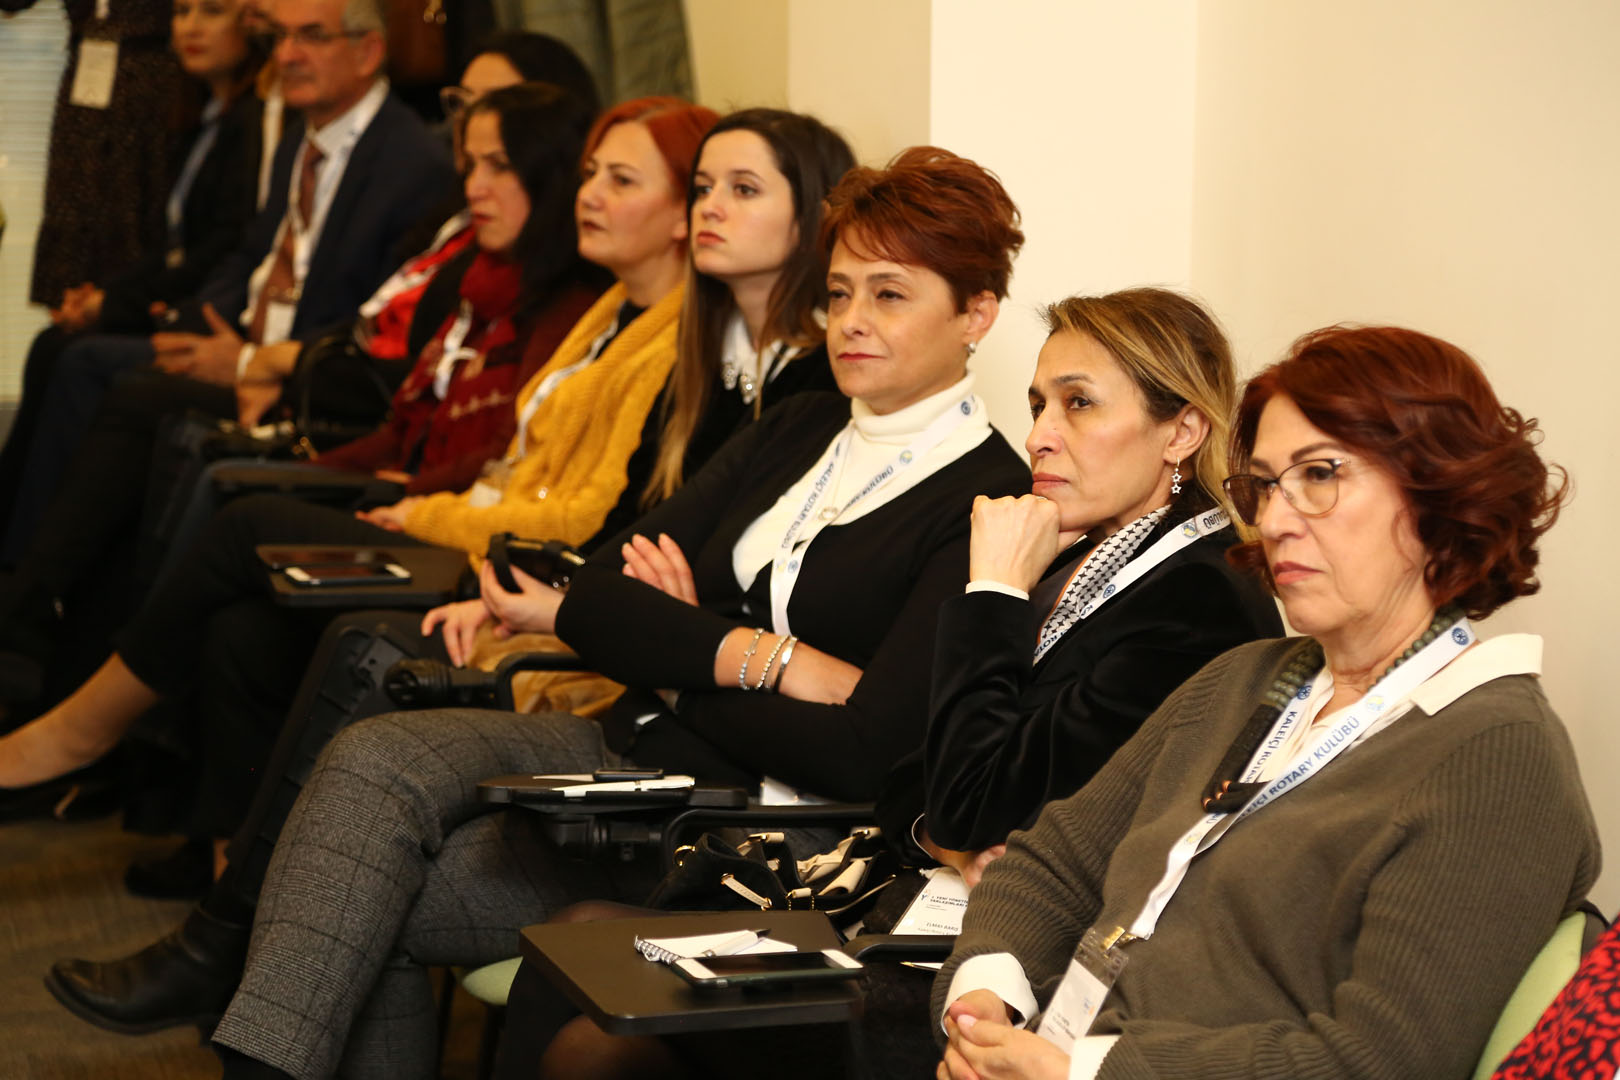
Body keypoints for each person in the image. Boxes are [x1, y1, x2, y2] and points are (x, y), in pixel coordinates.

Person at [173, 144, 1031, 1080]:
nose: (852, 321)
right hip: (635, 753)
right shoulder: (801, 425)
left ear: (976, 314)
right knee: (371, 763)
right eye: (839, 292)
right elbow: (601, 587)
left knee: (371, 904)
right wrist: (766, 658)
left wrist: (674, 662)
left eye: (890, 295)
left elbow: (863, 749)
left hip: (752, 833)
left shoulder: (985, 500)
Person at [32, 106, 860, 1044]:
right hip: (607, 636)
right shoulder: (713, 355)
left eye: (740, 190)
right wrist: (579, 598)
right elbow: (631, 538)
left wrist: (576, 600)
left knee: (356, 646)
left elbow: (658, 557)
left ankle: (215, 921)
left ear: (811, 220)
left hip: (665, 705)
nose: (710, 208)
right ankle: (220, 917)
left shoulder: (804, 390)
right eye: (705, 186)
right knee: (254, 621)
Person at [934, 325, 1599, 1080]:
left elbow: (1380, 1063)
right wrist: (985, 1000)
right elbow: (1053, 863)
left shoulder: (1495, 755)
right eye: (1266, 485)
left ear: (1436, 492)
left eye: (1319, 475)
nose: (1276, 520)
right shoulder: (1243, 680)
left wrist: (1081, 1073)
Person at [2, 0, 457, 563]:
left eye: (311, 37)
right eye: (281, 38)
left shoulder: (411, 162)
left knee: (107, 377)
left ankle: (36, 582)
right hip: (243, 338)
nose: (287, 56)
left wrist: (245, 361)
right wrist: (195, 324)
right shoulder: (300, 139)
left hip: (303, 377)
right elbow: (249, 257)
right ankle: (32, 573)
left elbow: (380, 324)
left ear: (368, 53)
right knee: (77, 354)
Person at [883, 288, 1283, 884]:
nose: (1037, 437)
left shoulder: (1200, 601)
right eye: (1038, 406)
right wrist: (952, 846)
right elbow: (904, 780)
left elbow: (965, 803)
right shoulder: (1081, 556)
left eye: (1079, 403)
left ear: (1181, 433)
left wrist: (994, 592)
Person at [0, 0, 267, 541]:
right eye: (182, 11)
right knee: (51, 343)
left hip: (208, 313)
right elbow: (171, 248)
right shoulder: (200, 121)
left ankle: (33, 550)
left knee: (80, 359)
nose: (190, 27)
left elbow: (217, 252)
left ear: (252, 22)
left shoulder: (254, 125)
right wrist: (103, 294)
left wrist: (116, 304)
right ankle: (12, 532)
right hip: (169, 291)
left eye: (211, 12)